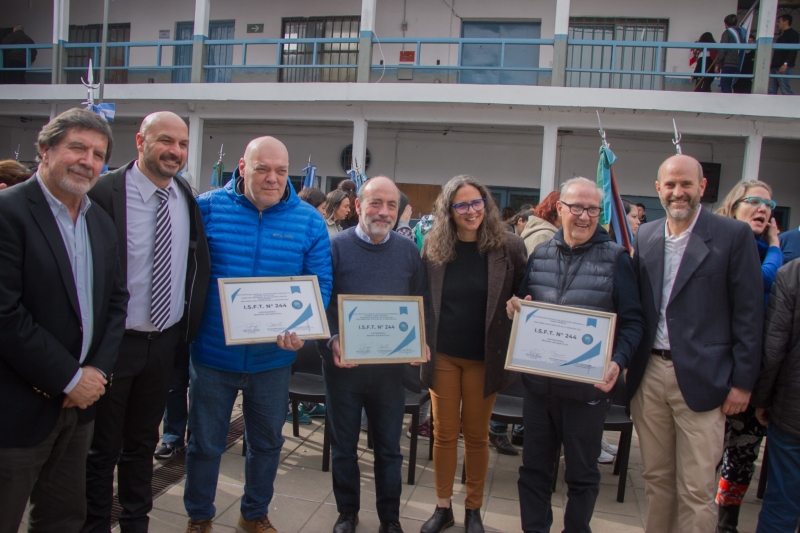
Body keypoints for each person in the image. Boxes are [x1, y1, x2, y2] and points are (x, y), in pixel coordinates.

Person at [183, 136, 332, 533]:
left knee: (267, 445)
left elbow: (319, 284)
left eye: (281, 171)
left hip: (273, 360)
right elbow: (186, 274)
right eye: (263, 168)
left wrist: (303, 330)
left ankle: (254, 514)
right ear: (242, 166)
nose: (272, 178)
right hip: (213, 355)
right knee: (204, 444)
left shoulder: (309, 220)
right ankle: (199, 516)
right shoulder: (207, 208)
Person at [82, 111, 211, 533]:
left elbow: (196, 265)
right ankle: (96, 523)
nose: (175, 151)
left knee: (142, 443)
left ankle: (136, 520)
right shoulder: (103, 193)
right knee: (102, 447)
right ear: (140, 141)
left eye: (182, 144)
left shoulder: (185, 198)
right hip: (114, 343)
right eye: (165, 141)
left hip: (164, 344)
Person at [0, 108, 128, 533]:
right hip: (17, 409)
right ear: (45, 149)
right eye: (77, 147)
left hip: (79, 410)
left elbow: (116, 303)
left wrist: (95, 372)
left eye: (98, 154)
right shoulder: (8, 213)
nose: (87, 161)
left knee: (63, 520)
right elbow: (5, 314)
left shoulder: (100, 223)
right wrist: (69, 378)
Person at [627, 154, 764, 533]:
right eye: (670, 185)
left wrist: (743, 383)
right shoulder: (647, 235)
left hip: (705, 381)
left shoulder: (732, 236)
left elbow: (750, 315)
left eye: (686, 184)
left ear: (702, 187)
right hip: (650, 376)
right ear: (658, 189)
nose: (678, 192)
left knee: (697, 489)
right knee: (656, 481)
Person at [508, 177, 645, 533]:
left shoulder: (617, 259)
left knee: (582, 476)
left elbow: (633, 323)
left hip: (586, 394)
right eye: (576, 208)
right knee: (534, 471)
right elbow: (525, 304)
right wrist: (515, 308)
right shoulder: (539, 254)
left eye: (592, 209)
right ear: (560, 209)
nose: (584, 217)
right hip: (539, 390)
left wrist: (618, 360)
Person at [319, 176, 431, 533]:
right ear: (358, 205)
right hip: (344, 368)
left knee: (389, 450)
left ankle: (390, 519)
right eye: (376, 203)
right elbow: (321, 305)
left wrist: (420, 339)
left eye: (392, 206)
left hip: (389, 373)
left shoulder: (407, 251)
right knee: (344, 446)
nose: (384, 212)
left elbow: (419, 303)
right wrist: (333, 339)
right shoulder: (334, 248)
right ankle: (347, 513)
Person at [419, 175, 527, 533]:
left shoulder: (508, 247)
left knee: (478, 436)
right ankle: (442, 507)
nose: (470, 211)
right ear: (448, 210)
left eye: (476, 203)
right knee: (445, 434)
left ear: (487, 205)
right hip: (445, 355)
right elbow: (422, 302)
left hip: (486, 356)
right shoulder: (433, 247)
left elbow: (526, 294)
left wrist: (520, 306)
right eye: (461, 205)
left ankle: (474, 509)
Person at [713, 180, 784, 532]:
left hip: (753, 375)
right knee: (705, 457)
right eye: (753, 201)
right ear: (733, 206)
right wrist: (775, 245)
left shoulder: (759, 248)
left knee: (742, 456)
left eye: (768, 205)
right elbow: (762, 282)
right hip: (716, 374)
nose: (762, 208)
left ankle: (726, 524)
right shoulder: (723, 245)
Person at [753, 258, 800, 533]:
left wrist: (763, 399)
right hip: (792, 409)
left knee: (782, 502)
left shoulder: (792, 273)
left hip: (791, 410)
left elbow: (773, 348)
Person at [769, 14, 798, 96]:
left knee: (785, 90)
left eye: (779, 21)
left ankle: (793, 107)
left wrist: (786, 64)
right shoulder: (781, 36)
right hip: (775, 67)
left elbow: (793, 51)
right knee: (771, 91)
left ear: (786, 21)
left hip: (784, 67)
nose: (777, 24)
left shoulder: (793, 34)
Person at [716, 14, 745, 93]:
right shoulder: (740, 33)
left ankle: (727, 103)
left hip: (728, 63)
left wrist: (717, 63)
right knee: (729, 83)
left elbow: (722, 49)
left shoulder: (727, 33)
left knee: (724, 84)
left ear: (725, 23)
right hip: (736, 64)